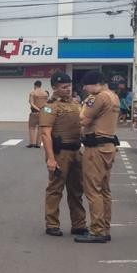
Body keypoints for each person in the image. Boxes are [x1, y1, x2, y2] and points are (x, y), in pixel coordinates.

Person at [38, 72, 88, 237]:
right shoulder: (50, 107)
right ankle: (52, 224)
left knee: (77, 190)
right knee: (55, 189)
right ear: (54, 88)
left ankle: (79, 224)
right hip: (60, 153)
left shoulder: (75, 104)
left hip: (75, 151)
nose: (68, 89)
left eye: (69, 86)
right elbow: (46, 134)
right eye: (64, 87)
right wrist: (51, 158)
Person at [77, 71, 119, 244]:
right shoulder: (113, 97)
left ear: (93, 84)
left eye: (86, 86)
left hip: (95, 148)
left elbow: (83, 120)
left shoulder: (98, 97)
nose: (85, 90)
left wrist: (82, 105)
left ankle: (97, 230)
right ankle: (105, 227)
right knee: (104, 190)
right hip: (108, 147)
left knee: (93, 190)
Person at [27, 80, 49, 148]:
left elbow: (31, 103)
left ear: (35, 85)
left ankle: (32, 143)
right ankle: (38, 144)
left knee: (32, 127)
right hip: (43, 113)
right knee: (40, 128)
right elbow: (46, 103)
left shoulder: (33, 93)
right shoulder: (45, 93)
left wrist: (37, 109)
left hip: (34, 112)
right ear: (40, 85)